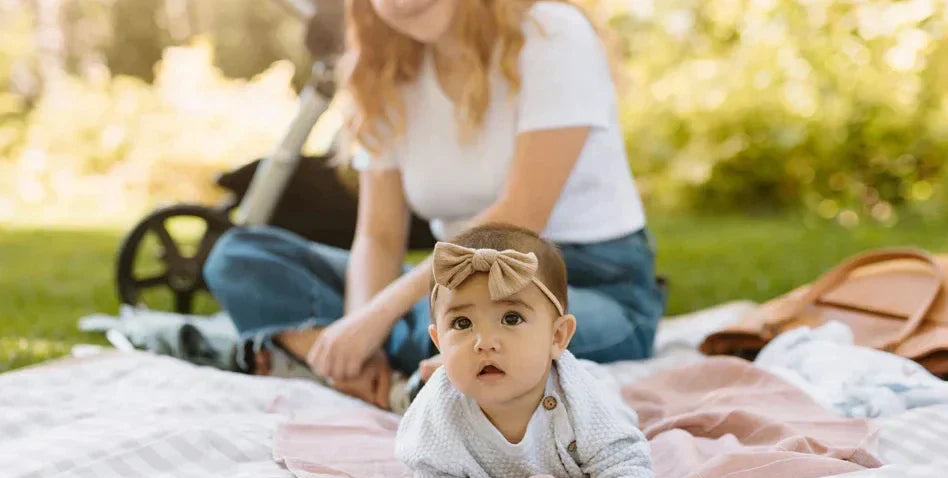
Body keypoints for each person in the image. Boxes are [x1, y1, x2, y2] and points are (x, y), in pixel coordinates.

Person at [202, 0, 664, 409]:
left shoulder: (550, 33)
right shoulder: (384, 72)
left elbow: (522, 215)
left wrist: (376, 317)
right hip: (450, 282)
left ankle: (313, 352)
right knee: (238, 257)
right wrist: (365, 336)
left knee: (459, 324)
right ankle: (372, 368)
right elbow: (378, 236)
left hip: (584, 285)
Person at [395, 224, 654, 478]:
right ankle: (409, 387)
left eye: (511, 319)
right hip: (439, 388)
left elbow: (626, 465)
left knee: (610, 396)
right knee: (419, 395)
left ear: (557, 337)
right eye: (462, 323)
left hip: (592, 383)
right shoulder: (439, 413)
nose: (484, 342)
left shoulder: (582, 400)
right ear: (439, 342)